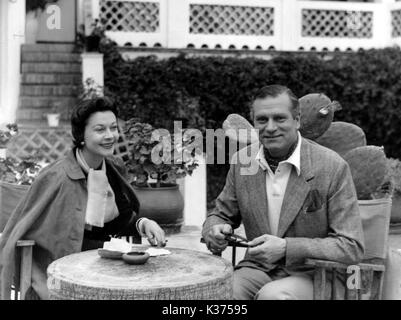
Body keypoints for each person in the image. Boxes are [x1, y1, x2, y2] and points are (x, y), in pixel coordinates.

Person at [202, 85, 365, 300]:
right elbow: (220, 214)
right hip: (258, 269)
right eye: (262, 120)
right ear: (254, 123)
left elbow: (351, 246)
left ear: (297, 120)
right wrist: (214, 229)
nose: (270, 127)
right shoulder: (242, 161)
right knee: (219, 292)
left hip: (314, 274)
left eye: (279, 118)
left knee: (274, 297)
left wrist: (287, 248)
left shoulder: (332, 166)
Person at [0, 97, 166, 300]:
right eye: (100, 129)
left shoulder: (112, 167)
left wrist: (143, 223)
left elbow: (118, 220)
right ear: (81, 135)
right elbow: (27, 230)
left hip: (104, 267)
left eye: (113, 128)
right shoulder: (57, 177)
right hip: (61, 273)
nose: (110, 136)